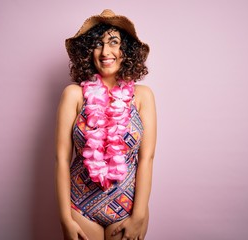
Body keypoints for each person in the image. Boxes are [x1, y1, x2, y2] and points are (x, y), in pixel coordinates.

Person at [55, 9, 156, 240]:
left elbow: (147, 159)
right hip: (80, 208)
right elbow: (61, 159)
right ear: (88, 52)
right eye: (98, 44)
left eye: (114, 42)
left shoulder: (143, 96)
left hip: (128, 209)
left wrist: (138, 215)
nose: (105, 51)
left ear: (126, 50)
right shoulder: (74, 94)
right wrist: (64, 218)